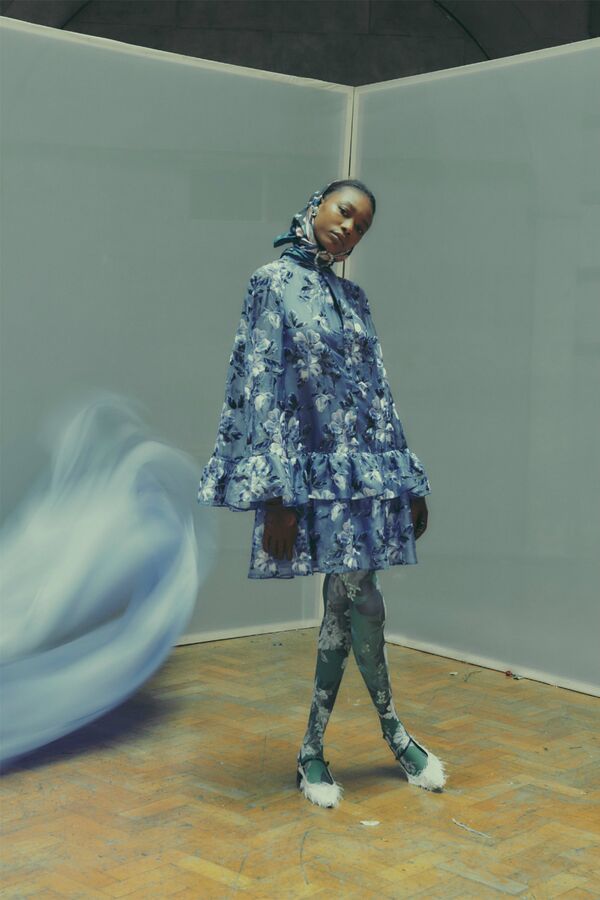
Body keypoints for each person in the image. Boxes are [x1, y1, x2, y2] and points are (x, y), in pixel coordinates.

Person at [197, 179, 446, 807]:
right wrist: (275, 498)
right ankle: (391, 735)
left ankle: (317, 748)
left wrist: (409, 481)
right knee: (362, 601)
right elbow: (259, 385)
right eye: (344, 212)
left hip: (366, 477)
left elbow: (378, 392)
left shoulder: (354, 298)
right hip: (308, 478)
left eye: (361, 226)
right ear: (316, 206)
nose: (349, 228)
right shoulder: (270, 284)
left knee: (350, 601)